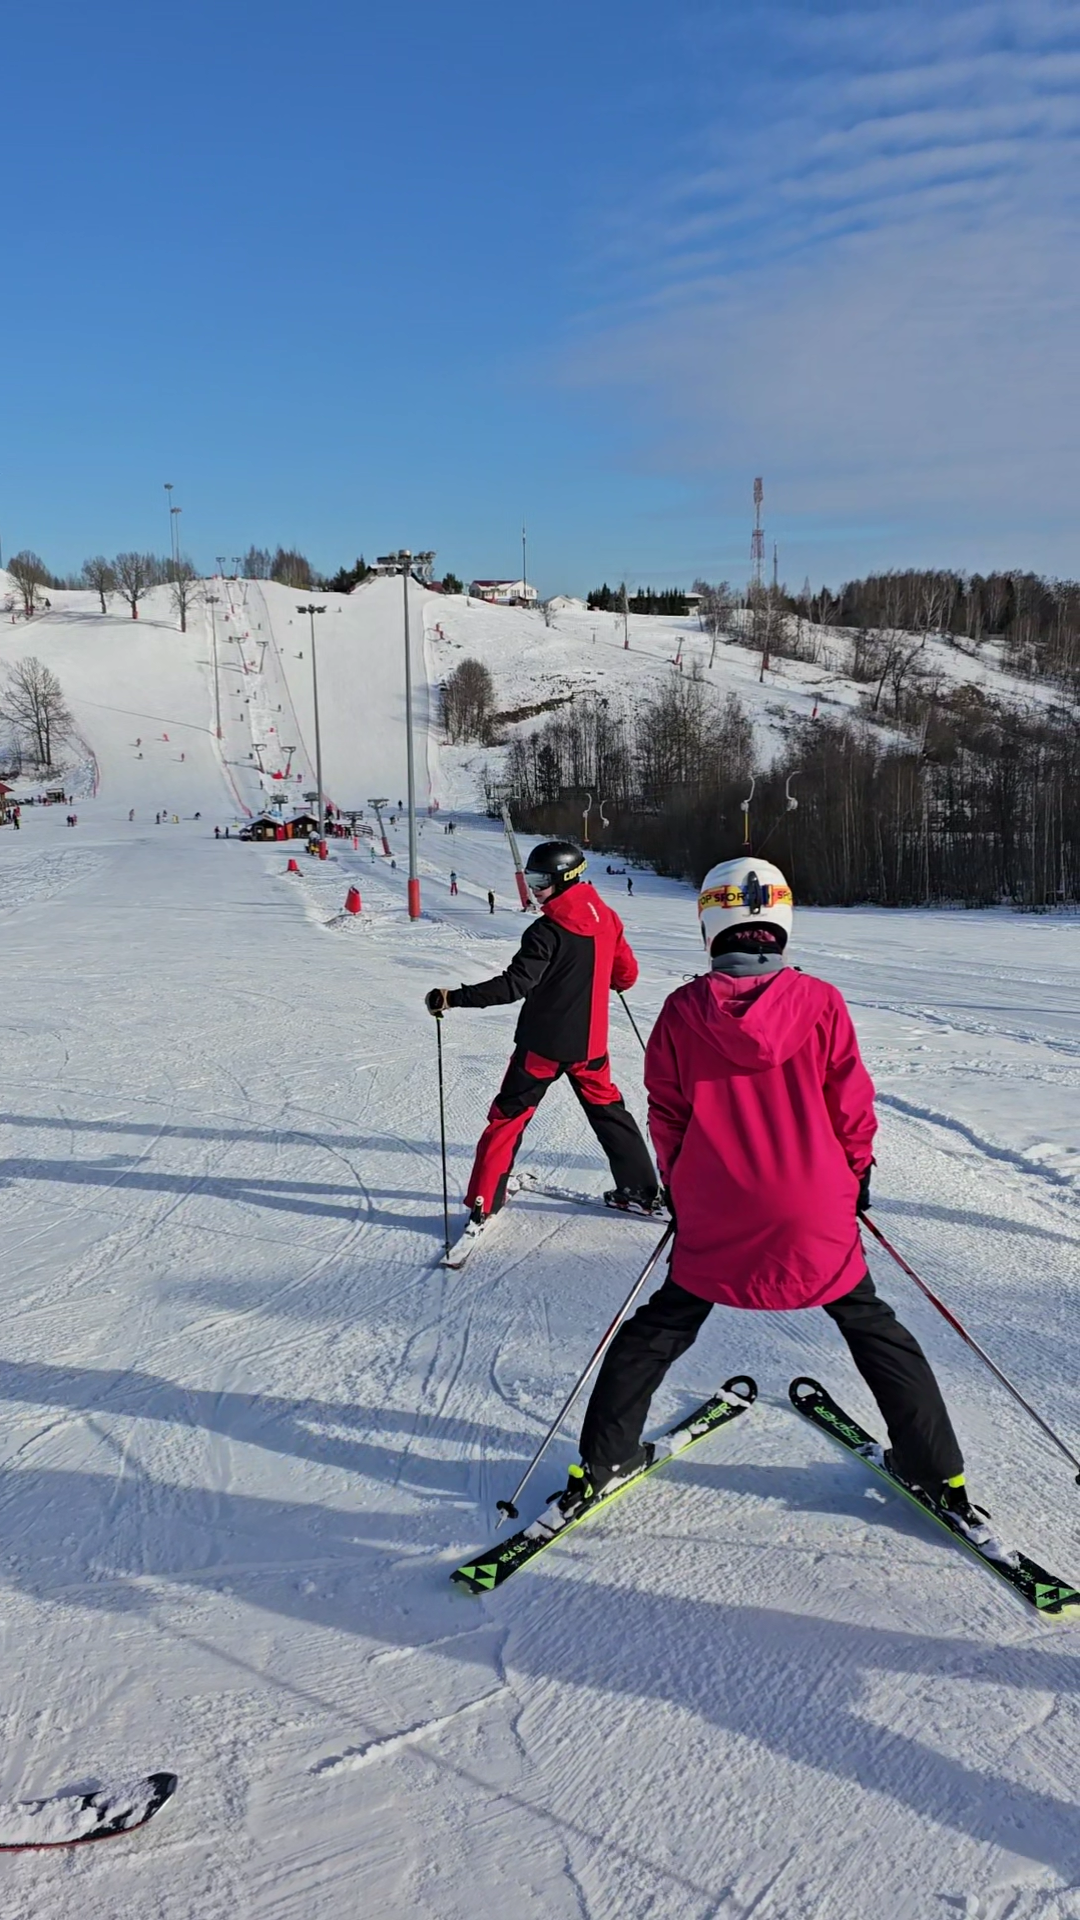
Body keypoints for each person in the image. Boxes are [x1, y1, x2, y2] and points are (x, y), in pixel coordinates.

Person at [557, 856, 981, 1535]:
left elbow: (666, 1116)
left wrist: (684, 1186)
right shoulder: (820, 1004)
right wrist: (856, 1176)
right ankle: (939, 1472)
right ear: (779, 923)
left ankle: (601, 1460)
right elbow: (852, 1108)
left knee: (658, 1329)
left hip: (716, 1209)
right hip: (815, 1209)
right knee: (872, 1325)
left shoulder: (679, 1011)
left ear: (710, 924)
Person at [425, 840, 659, 1225]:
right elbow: (626, 976)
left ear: (565, 879)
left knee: (508, 1117)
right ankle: (641, 1191)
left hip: (541, 1049)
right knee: (610, 1114)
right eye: (529, 880)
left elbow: (513, 986)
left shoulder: (545, 932)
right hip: (590, 1049)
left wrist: (453, 998)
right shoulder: (607, 918)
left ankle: (484, 1201)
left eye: (540, 882)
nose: (533, 890)